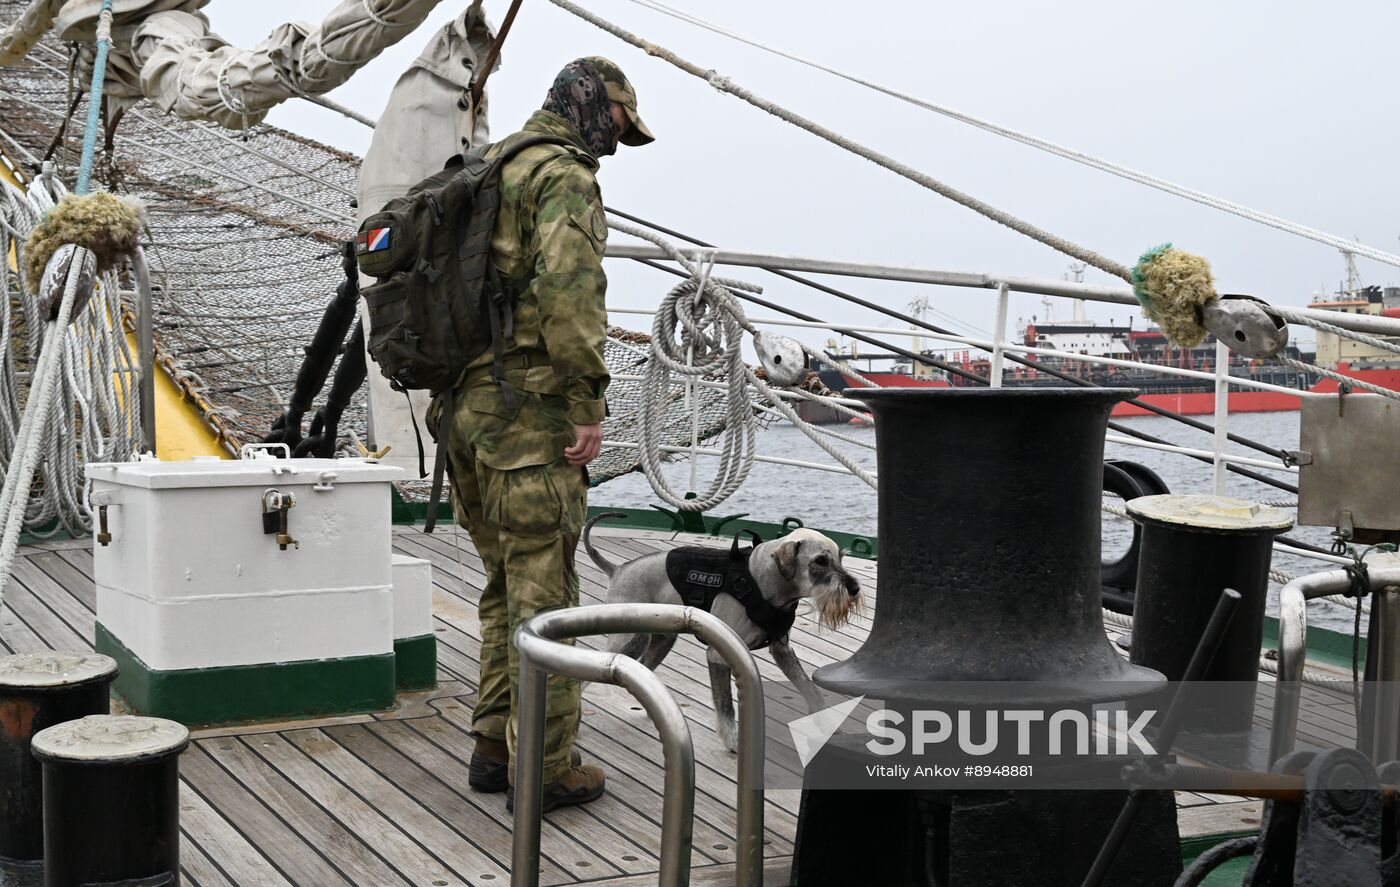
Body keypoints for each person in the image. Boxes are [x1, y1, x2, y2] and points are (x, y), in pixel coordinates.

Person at [439, 56, 653, 812]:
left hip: (464, 417)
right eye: (619, 126)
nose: (616, 145)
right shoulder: (562, 174)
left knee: (504, 587)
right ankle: (549, 765)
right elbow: (570, 295)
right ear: (592, 105)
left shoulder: (491, 164)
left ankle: (494, 745)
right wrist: (587, 402)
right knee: (548, 599)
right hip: (528, 420)